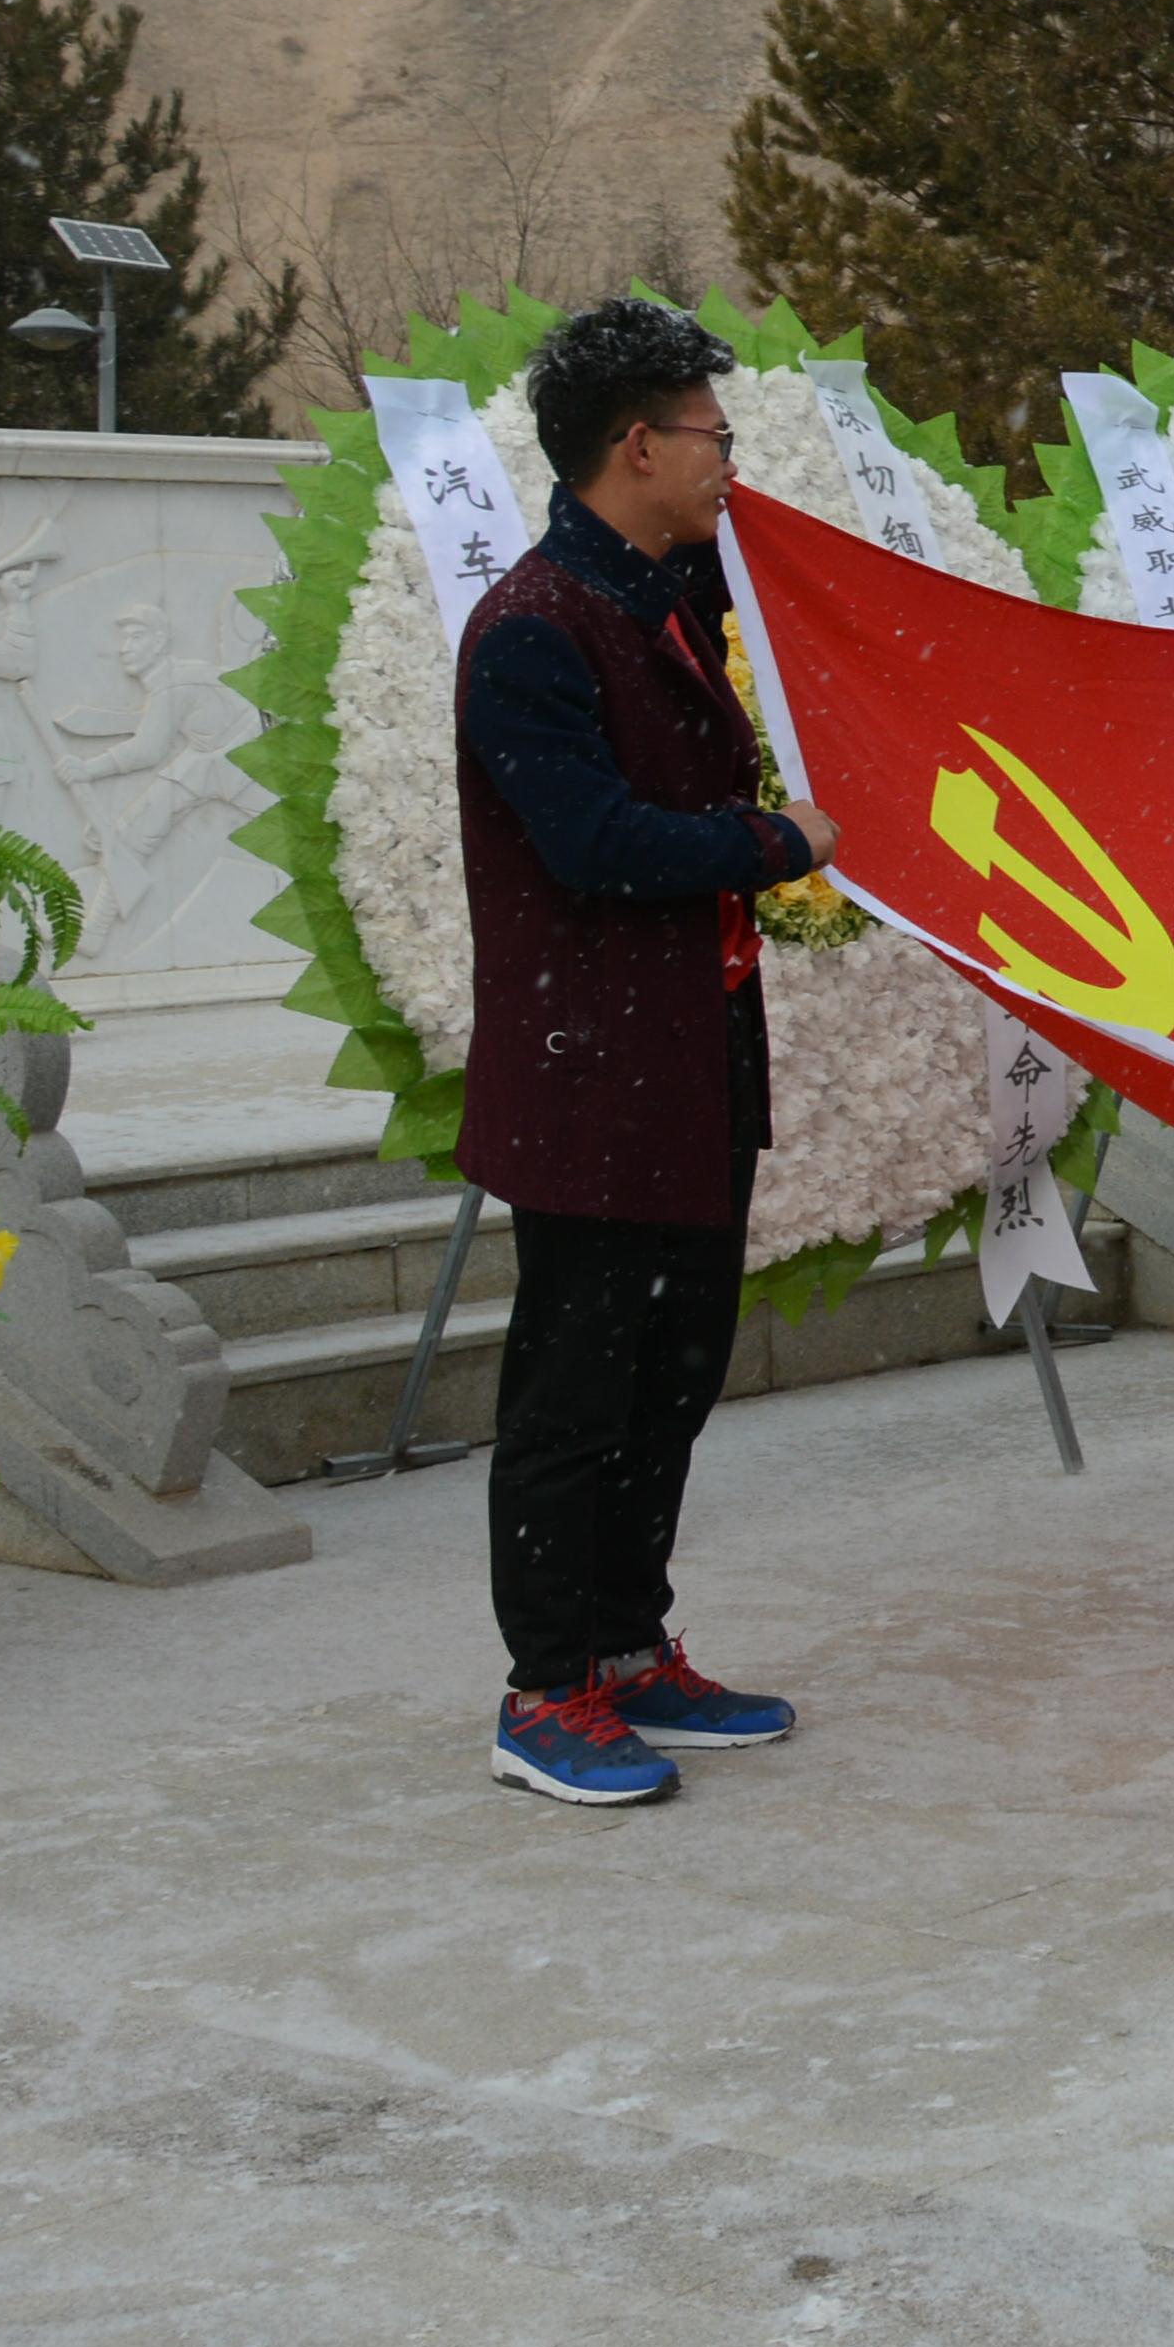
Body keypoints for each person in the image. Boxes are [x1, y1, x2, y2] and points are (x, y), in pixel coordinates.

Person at [454, 298, 832, 1810]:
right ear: (637, 446)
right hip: (590, 1071)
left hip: (688, 1055)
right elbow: (594, 842)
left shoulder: (667, 592)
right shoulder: (534, 627)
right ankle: (544, 1685)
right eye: (712, 436)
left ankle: (627, 1642)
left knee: (674, 1371)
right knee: (576, 1387)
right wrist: (775, 841)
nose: (728, 462)